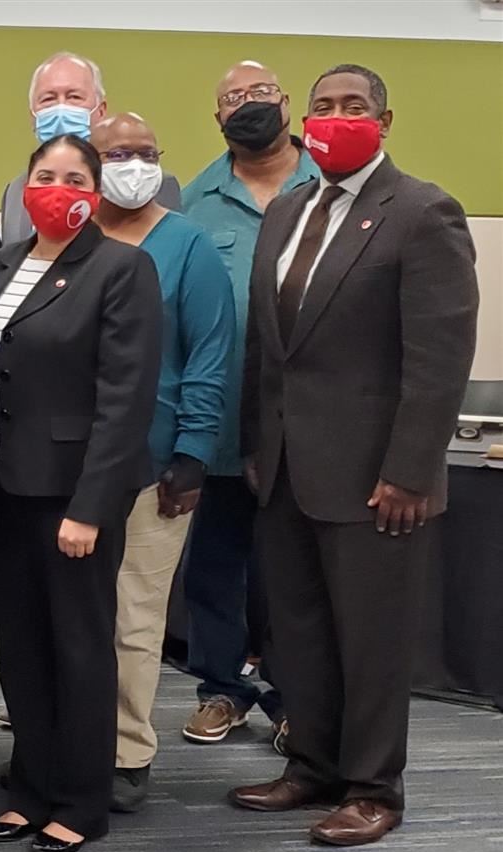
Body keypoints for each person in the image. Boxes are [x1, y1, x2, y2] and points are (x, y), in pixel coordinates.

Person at [230, 64, 477, 847]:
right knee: (299, 631)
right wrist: (254, 449)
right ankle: (313, 763)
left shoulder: (421, 211)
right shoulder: (289, 210)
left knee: (371, 637)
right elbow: (267, 350)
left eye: (355, 106)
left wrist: (411, 468)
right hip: (286, 470)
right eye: (324, 106)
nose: (338, 117)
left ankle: (374, 785)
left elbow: (439, 358)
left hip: (378, 478)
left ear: (385, 120)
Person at [0, 134, 161, 852]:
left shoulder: (122, 268)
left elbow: (125, 398)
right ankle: (31, 785)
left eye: (74, 176)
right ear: (25, 186)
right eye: (45, 175)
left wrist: (91, 505)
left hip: (74, 495)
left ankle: (81, 799)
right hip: (4, 483)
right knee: (20, 646)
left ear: (97, 187)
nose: (58, 186)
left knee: (80, 646)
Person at [90, 114, 235, 813]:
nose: (133, 163)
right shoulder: (70, 239)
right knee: (66, 616)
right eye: (117, 153)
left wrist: (194, 453)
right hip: (66, 465)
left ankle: (124, 752)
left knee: (132, 617)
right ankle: (62, 741)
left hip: (157, 465)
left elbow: (210, 357)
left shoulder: (188, 246)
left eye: (147, 153)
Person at [180, 61, 320, 753]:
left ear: (286, 104)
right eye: (232, 97)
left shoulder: (330, 184)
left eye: (260, 93)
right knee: (214, 565)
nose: (248, 105)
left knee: (292, 570)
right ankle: (220, 689)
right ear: (217, 118)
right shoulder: (195, 198)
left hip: (308, 428)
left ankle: (295, 699)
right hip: (222, 423)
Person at [0, 52, 180, 246]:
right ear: (32, 115)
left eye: (74, 97)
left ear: (101, 111)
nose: (61, 108)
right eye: (48, 99)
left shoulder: (142, 184)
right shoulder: (16, 190)